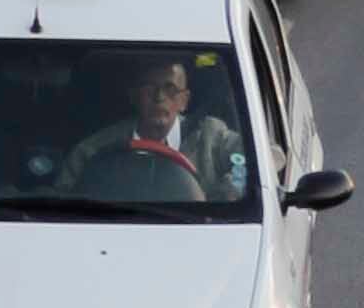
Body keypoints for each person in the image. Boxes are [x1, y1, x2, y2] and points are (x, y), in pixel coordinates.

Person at [74, 52, 250, 211]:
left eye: (170, 89)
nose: (159, 97)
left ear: (184, 101)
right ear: (134, 97)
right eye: (149, 89)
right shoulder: (96, 149)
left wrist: (223, 196)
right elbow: (66, 195)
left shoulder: (212, 136)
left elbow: (259, 159)